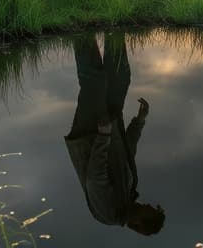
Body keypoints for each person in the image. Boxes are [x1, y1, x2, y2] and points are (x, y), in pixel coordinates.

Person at [63, 33, 166, 236]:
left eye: (148, 210)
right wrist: (139, 121)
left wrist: (103, 136)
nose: (147, 204)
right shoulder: (130, 193)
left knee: (94, 82)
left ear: (138, 223)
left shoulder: (109, 214)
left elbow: (95, 177)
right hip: (111, 125)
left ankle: (81, 28)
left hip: (91, 134)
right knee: (120, 78)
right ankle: (113, 28)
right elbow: (128, 152)